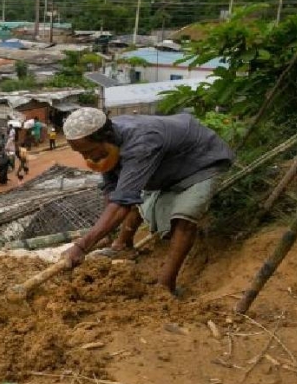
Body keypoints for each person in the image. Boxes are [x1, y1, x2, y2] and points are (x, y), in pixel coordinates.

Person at [59, 107, 234, 294]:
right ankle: (122, 246)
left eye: (89, 151)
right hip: (166, 165)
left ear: (107, 137)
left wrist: (81, 246)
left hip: (201, 160)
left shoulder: (141, 143)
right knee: (129, 196)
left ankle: (166, 286)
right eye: (81, 154)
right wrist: (104, 234)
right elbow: (113, 191)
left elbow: (121, 206)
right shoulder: (111, 141)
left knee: (184, 219)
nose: (86, 157)